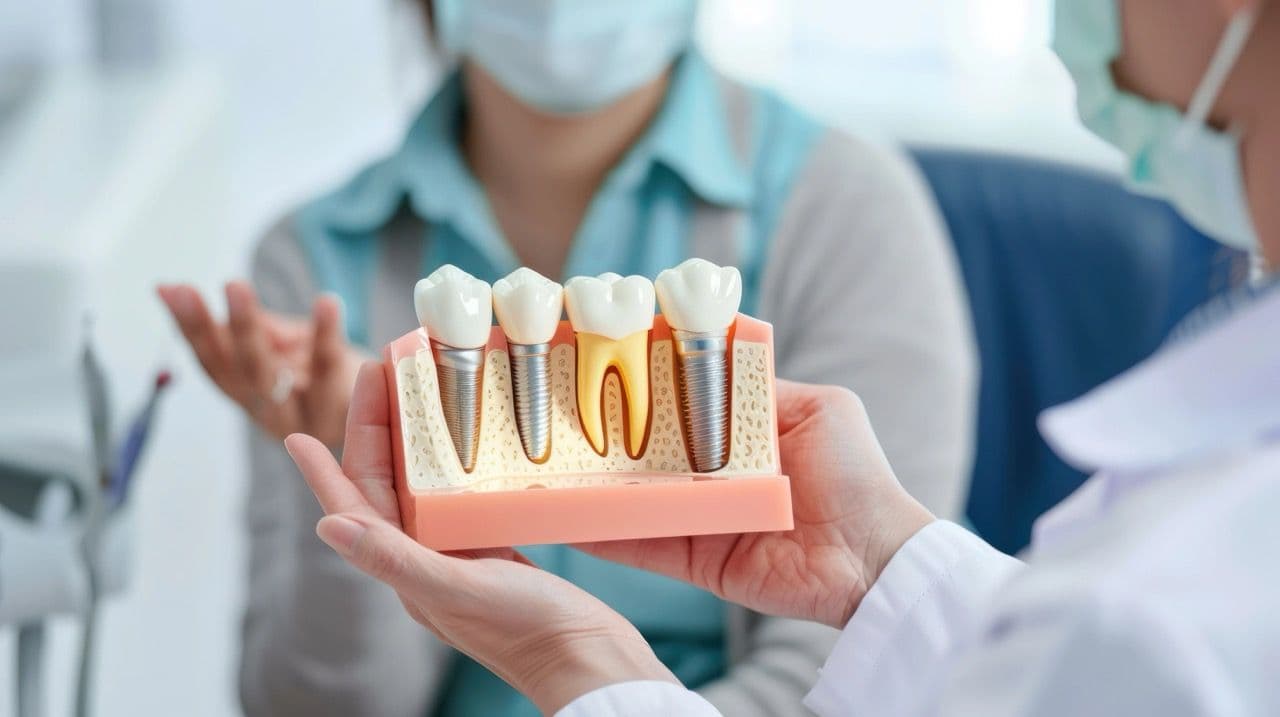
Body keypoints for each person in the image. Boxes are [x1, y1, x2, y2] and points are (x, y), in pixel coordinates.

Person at [283, 0, 1280, 714]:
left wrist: (576, 664)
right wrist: (883, 562)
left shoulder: (1148, 615)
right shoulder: (309, 257)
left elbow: (1099, 648)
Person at [156, 0, 978, 714]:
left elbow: (854, 673)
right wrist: (366, 499)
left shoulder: (847, 210)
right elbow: (314, 707)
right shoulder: (311, 264)